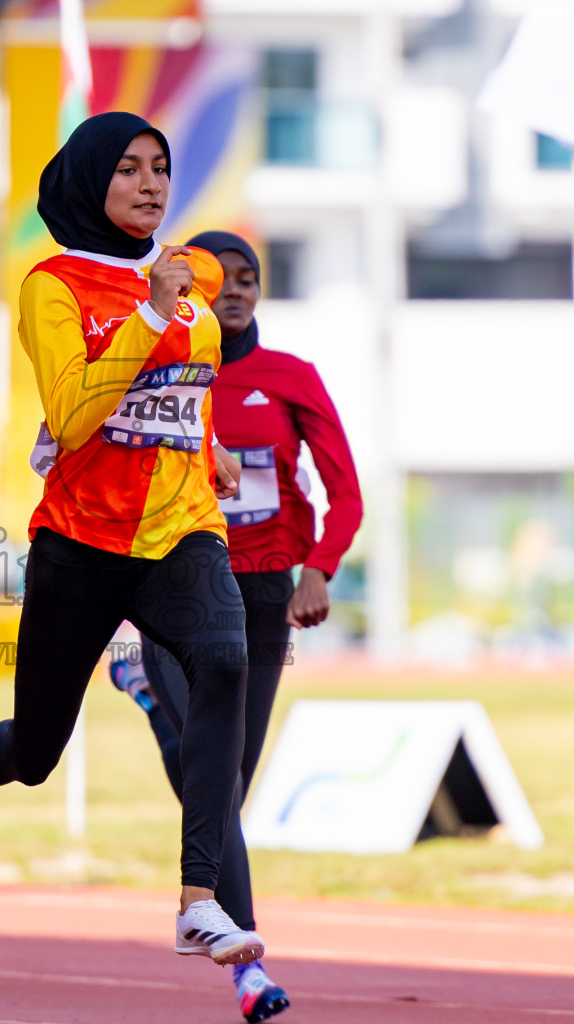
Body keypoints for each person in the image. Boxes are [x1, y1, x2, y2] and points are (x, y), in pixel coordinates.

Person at [0, 111, 265, 966]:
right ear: (88, 181)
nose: (151, 184)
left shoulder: (185, 289)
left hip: (180, 531)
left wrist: (212, 446)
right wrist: (150, 319)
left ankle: (198, 901)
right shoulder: (53, 285)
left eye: (160, 166)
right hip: (81, 545)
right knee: (37, 750)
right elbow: (76, 418)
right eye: (128, 169)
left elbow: (187, 397)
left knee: (226, 659)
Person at [109, 231, 363, 1021]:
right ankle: (248, 966)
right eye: (220, 277)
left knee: (224, 783)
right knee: (213, 784)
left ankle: (152, 704)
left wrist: (319, 565)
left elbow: (345, 489)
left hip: (262, 592)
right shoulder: (159, 369)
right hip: (177, 582)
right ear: (190, 284)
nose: (237, 289)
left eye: (250, 278)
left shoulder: (290, 379)